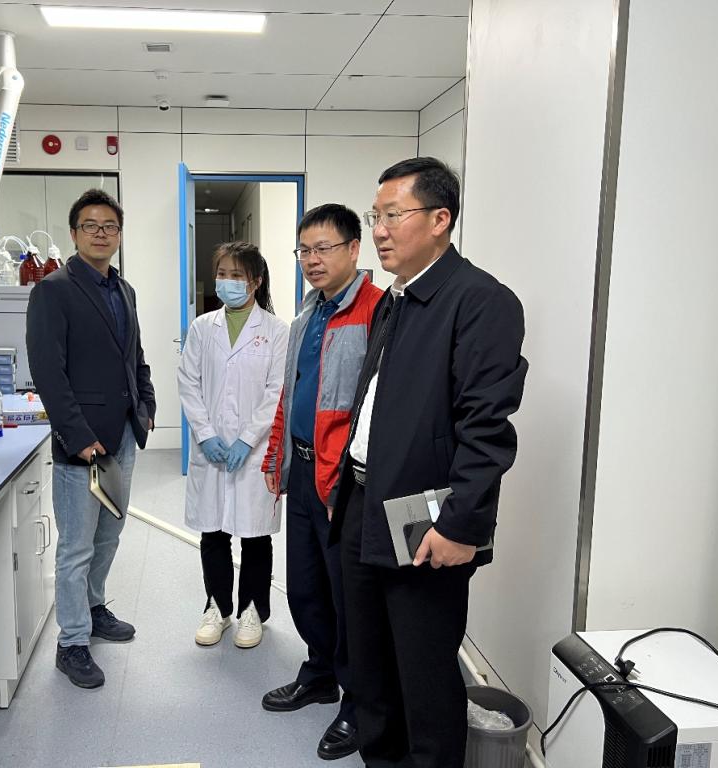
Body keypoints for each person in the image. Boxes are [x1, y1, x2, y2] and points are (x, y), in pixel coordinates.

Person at [328, 158, 528, 767]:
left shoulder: (481, 301)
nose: (379, 230)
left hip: (424, 515)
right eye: (376, 216)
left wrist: (459, 525)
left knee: (422, 670)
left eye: (393, 215)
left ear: (440, 220)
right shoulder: (397, 299)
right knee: (370, 665)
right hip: (364, 500)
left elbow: (486, 430)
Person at [260, 204, 382, 761]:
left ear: (354, 249)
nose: (311, 260)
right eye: (304, 250)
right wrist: (278, 455)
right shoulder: (307, 314)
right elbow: (292, 391)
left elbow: (374, 409)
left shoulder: (377, 311)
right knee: (306, 584)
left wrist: (344, 482)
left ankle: (358, 701)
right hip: (305, 468)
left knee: (348, 594)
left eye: (323, 248)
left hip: (345, 479)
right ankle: (319, 674)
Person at [26, 188, 156, 690]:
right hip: (82, 445)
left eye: (110, 226)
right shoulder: (53, 290)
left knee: (109, 535)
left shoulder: (124, 290)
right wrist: (76, 435)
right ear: (74, 233)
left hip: (122, 434)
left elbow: (134, 357)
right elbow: (48, 371)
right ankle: (72, 642)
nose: (101, 233)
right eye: (91, 225)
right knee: (77, 546)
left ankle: (94, 607)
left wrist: (145, 406)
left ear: (119, 234)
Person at [177, 241, 288, 650]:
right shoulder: (202, 327)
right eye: (222, 274)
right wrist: (206, 434)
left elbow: (277, 391)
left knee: (255, 535)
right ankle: (218, 607)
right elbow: (188, 382)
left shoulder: (277, 331)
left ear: (255, 281)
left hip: (255, 452)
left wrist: (246, 439)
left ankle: (252, 610)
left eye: (236, 275)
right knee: (213, 532)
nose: (227, 282)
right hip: (210, 449)